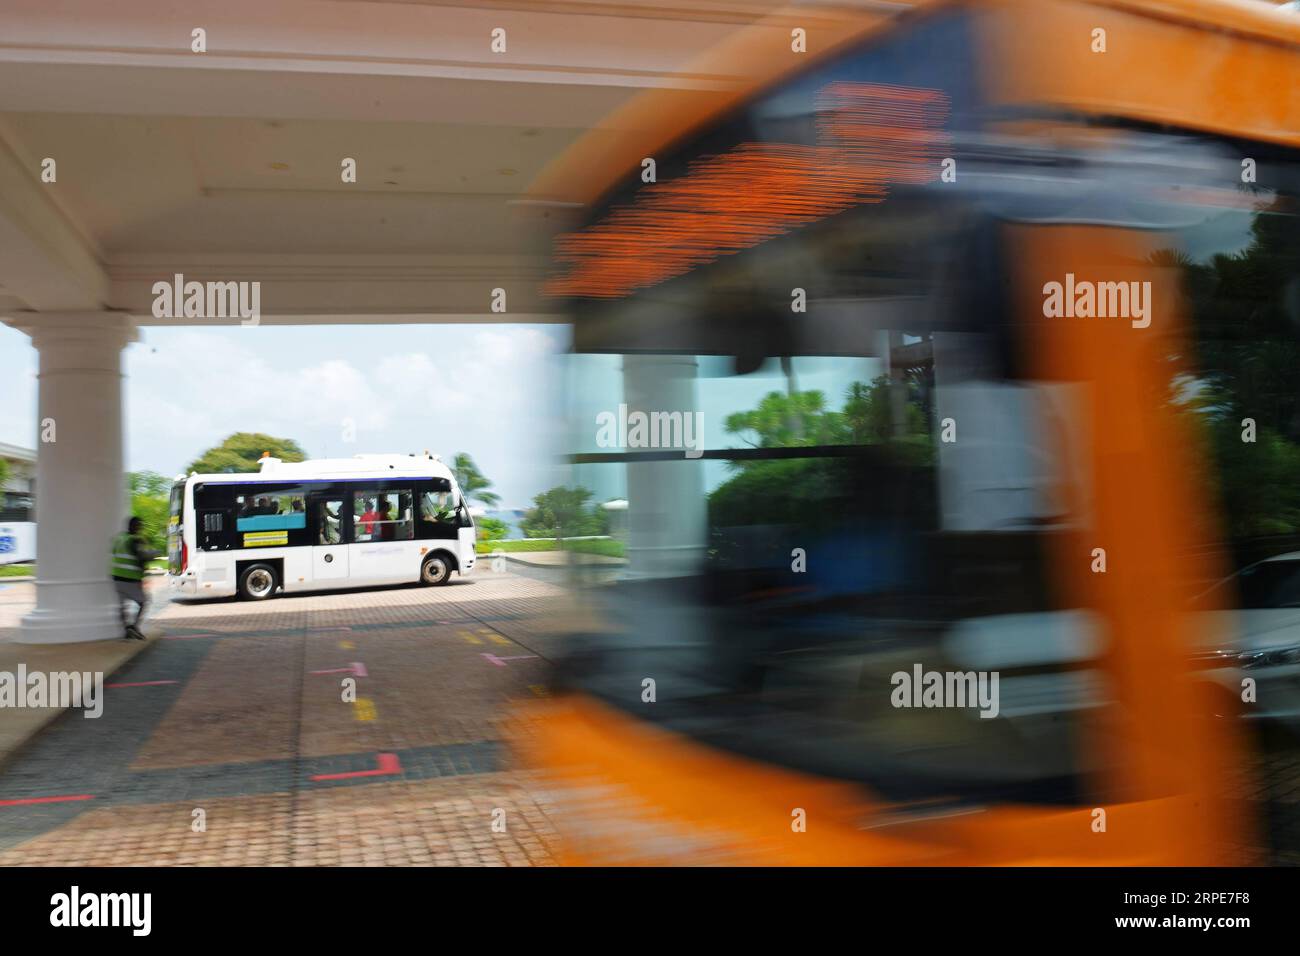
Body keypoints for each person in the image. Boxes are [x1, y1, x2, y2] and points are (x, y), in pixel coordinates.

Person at [110, 517, 157, 641]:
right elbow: (141, 557)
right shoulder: (135, 540)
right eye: (139, 525)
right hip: (130, 578)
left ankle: (127, 629)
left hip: (116, 577)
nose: (140, 528)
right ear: (134, 526)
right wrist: (152, 555)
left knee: (122, 605)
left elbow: (114, 553)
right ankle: (135, 628)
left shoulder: (118, 538)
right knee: (144, 602)